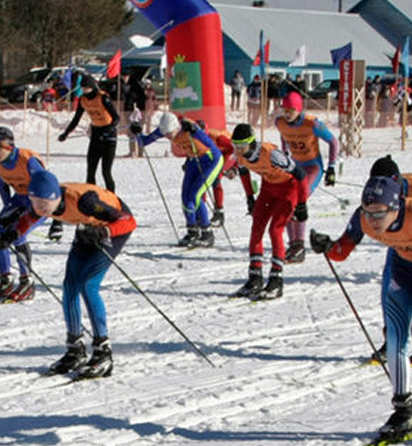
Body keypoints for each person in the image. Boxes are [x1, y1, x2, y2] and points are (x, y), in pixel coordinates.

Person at [310, 176, 412, 438]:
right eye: (368, 212)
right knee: (395, 338)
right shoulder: (363, 218)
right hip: (405, 275)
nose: (373, 221)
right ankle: (403, 410)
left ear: (396, 207)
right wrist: (327, 246)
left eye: (379, 214)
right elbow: (342, 250)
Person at [27, 170, 137, 378]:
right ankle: (75, 349)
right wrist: (10, 235)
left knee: (88, 285)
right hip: (87, 227)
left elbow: (128, 221)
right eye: (35, 202)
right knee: (70, 286)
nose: (39, 209)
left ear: (54, 197)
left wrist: (105, 232)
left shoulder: (85, 202)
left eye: (43, 204)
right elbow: (25, 220)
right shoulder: (43, 202)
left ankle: (103, 352)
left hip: (111, 229)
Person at [328, 155, 412, 368]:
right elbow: (346, 244)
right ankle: (391, 338)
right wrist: (329, 247)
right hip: (401, 245)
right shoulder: (373, 200)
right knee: (389, 282)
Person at [226, 124, 308, 299]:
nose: (239, 151)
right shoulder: (241, 156)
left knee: (275, 229)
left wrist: (302, 204)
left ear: (251, 142)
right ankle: (255, 277)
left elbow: (300, 174)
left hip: (288, 189)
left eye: (242, 147)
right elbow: (244, 173)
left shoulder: (271, 154)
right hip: (268, 189)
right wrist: (250, 197)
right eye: (236, 146)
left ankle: (276, 280)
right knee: (256, 228)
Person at [134, 111, 223, 248]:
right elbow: (143, 142)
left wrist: (195, 131)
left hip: (211, 159)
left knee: (196, 195)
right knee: (185, 197)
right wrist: (136, 131)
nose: (169, 137)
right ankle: (192, 231)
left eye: (170, 133)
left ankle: (207, 233)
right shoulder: (164, 130)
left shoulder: (187, 126)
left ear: (176, 127)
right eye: (166, 134)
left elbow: (208, 142)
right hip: (194, 159)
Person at [0, 126, 48, 301]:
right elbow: (2, 185)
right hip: (19, 200)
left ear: (8, 147)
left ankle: (27, 282)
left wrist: (49, 212)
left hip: (39, 202)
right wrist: (8, 208)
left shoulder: (27, 160)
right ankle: (5, 281)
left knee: (18, 235)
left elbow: (47, 183)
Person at [275, 91, 339, 264]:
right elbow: (284, 135)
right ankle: (294, 244)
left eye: (290, 111)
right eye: (284, 110)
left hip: (312, 167)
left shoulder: (312, 124)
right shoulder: (279, 122)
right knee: (286, 201)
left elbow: (334, 142)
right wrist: (285, 153)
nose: (286, 115)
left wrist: (332, 167)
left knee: (297, 201)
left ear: (298, 110)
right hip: (296, 166)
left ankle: (300, 245)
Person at [58, 73, 119, 191]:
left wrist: (109, 129)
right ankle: (91, 197)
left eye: (86, 88)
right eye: (82, 88)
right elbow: (76, 119)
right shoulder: (83, 100)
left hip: (108, 136)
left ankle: (112, 198)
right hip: (96, 133)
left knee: (106, 171)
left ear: (92, 86)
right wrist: (66, 133)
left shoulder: (102, 98)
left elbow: (116, 118)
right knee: (91, 170)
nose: (84, 90)